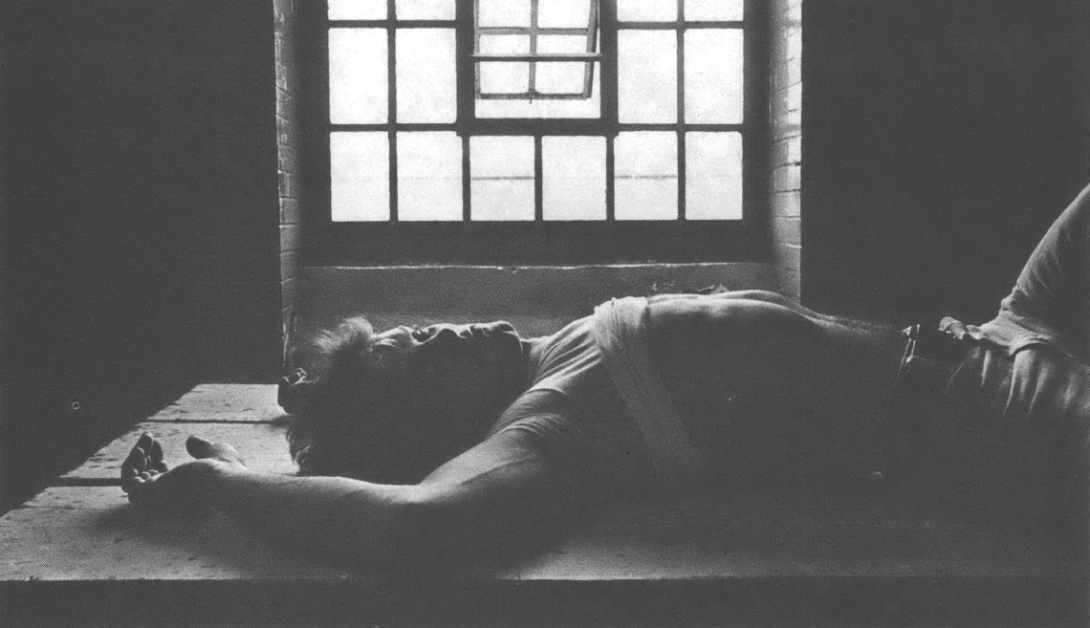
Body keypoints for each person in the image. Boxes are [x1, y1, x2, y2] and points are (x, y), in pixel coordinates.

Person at [121, 185, 1090, 568]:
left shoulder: (569, 346)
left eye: (417, 331)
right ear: (428, 426)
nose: (443, 331)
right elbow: (416, 526)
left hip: (997, 331)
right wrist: (224, 483)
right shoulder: (547, 425)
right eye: (416, 361)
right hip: (1003, 421)